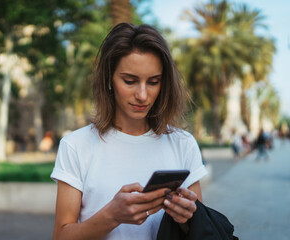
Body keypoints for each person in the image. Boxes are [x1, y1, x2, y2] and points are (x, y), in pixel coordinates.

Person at [50, 23, 207, 240]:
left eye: (153, 82)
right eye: (130, 81)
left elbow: (201, 231)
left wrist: (187, 218)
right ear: (109, 79)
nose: (142, 95)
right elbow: (60, 236)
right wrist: (112, 215)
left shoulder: (183, 143)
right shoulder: (76, 145)